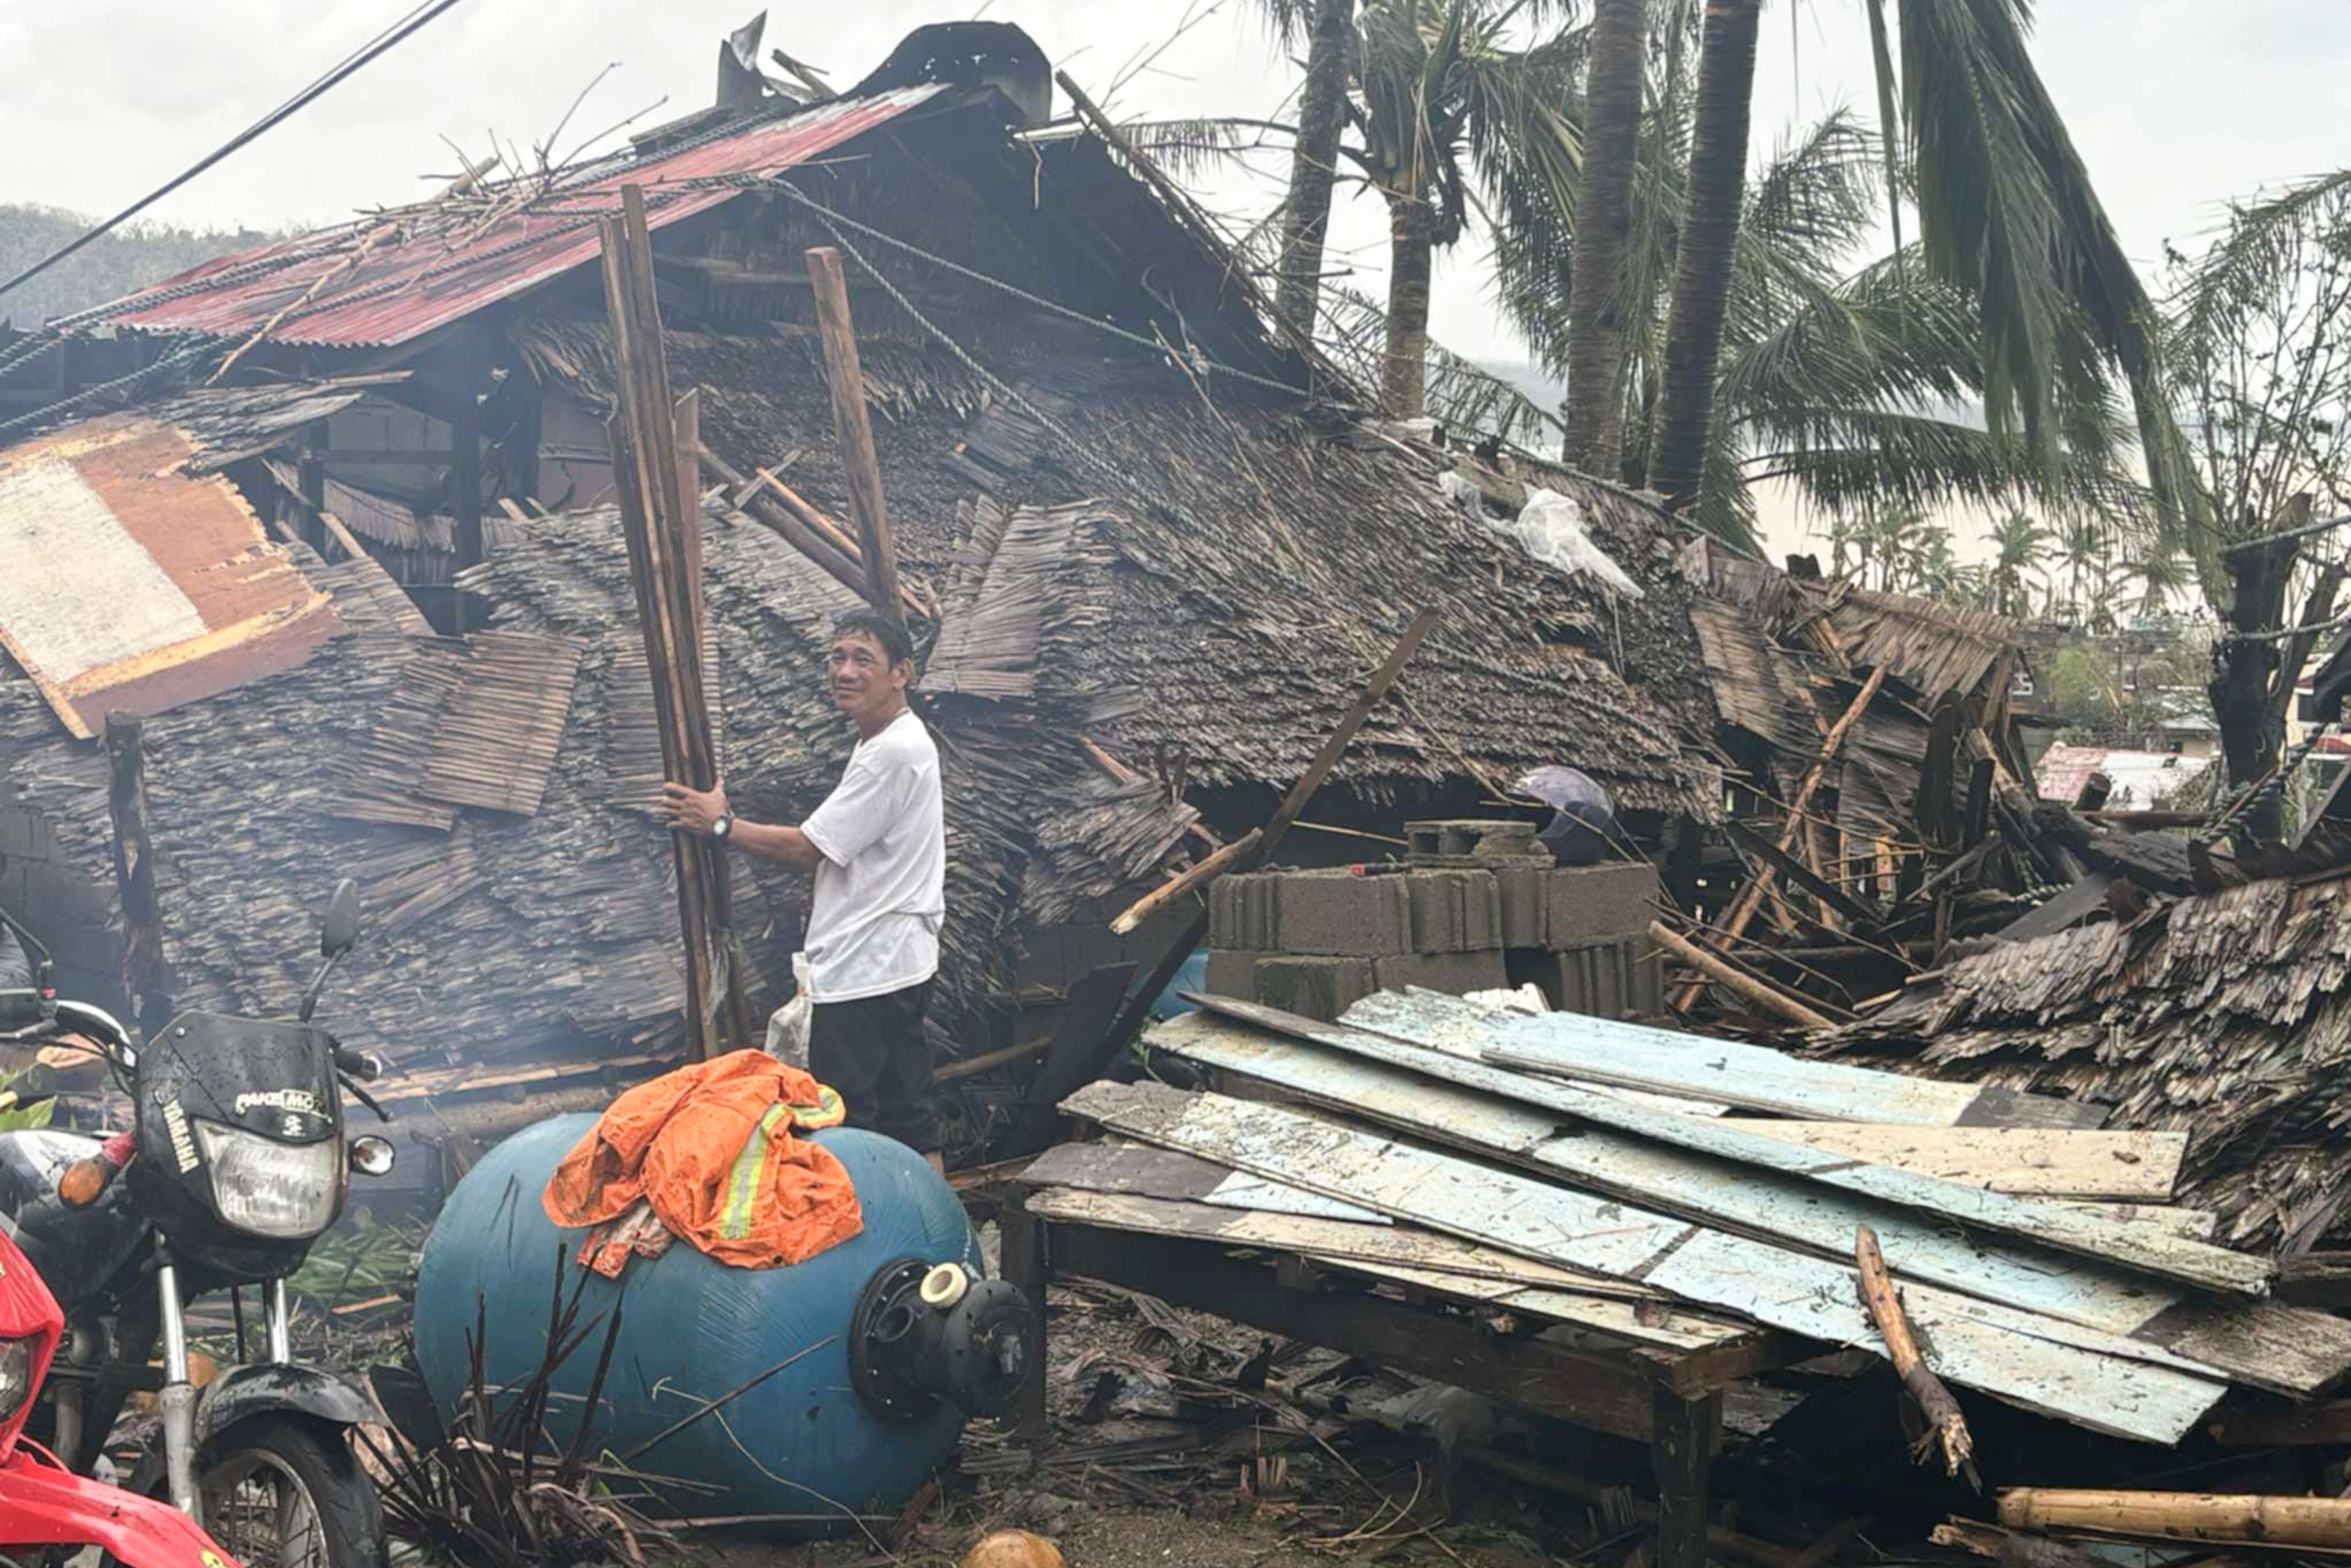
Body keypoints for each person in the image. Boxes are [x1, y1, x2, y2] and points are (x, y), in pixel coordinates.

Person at [661, 609, 947, 1163]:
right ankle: (939, 1235)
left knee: (849, 1123)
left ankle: (866, 1238)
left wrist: (720, 825)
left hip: (866, 967)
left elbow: (807, 848)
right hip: (898, 960)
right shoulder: (893, 740)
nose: (845, 671)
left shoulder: (892, 752)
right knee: (910, 1115)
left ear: (901, 672)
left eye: (864, 659)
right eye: (838, 657)